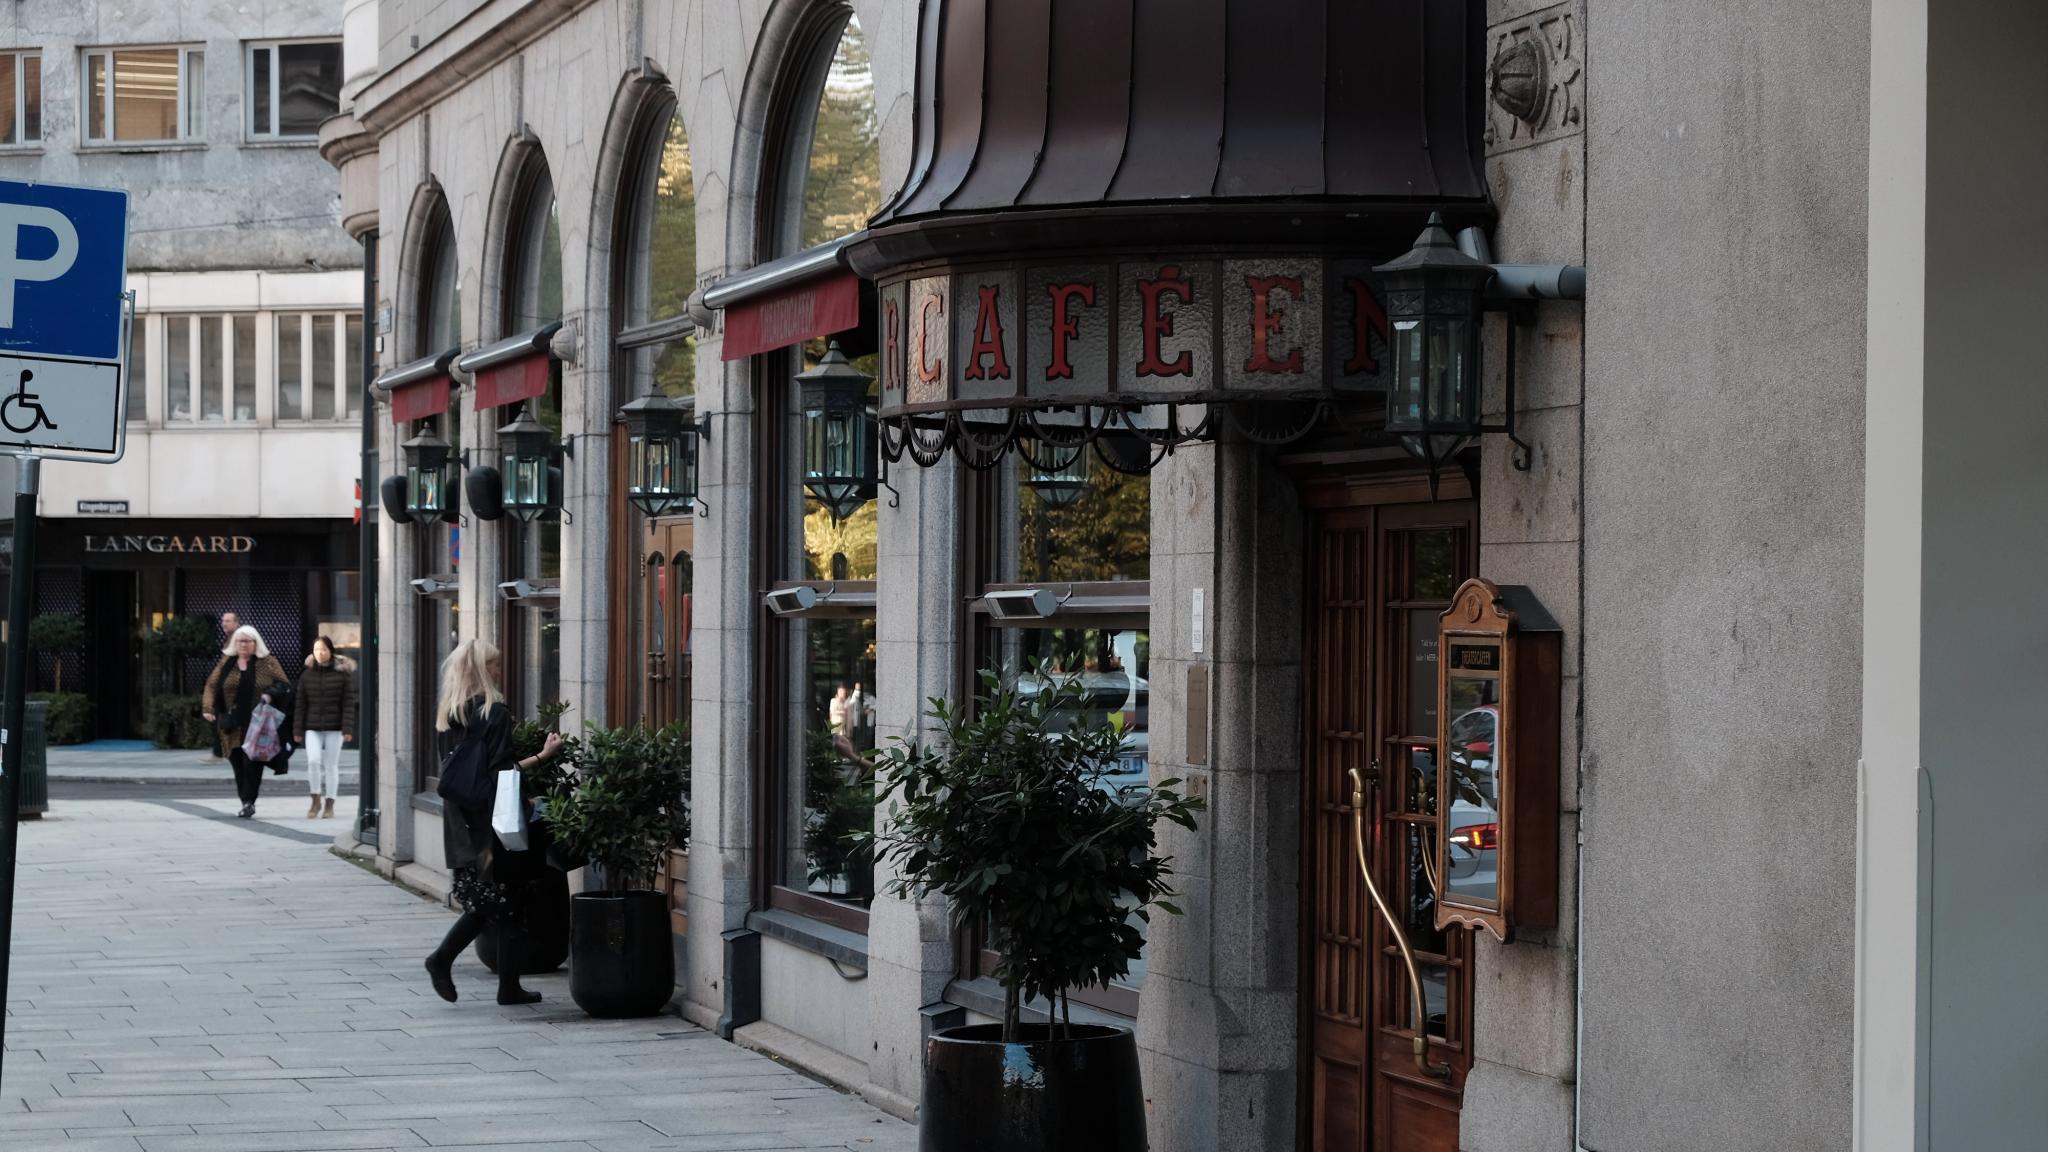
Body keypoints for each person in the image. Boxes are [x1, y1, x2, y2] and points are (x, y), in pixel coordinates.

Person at [422, 638, 564, 1006]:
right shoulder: (494, 712)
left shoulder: (449, 714)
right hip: (491, 821)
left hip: (460, 822)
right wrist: (541, 759)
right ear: (484, 669)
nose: (501, 669)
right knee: (496, 901)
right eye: (496, 664)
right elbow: (501, 772)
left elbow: (461, 775)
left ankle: (509, 987)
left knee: (504, 901)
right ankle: (442, 958)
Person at [201, 625, 288, 819]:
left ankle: (249, 801)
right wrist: (208, 708)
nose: (243, 644)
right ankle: (245, 800)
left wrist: (270, 694)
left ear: (255, 643)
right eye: (240, 641)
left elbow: (284, 685)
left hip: (258, 725)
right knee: (238, 764)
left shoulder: (267, 663)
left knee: (252, 763)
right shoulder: (226, 663)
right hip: (231, 725)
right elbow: (211, 685)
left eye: (248, 641)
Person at [294, 636, 356, 820]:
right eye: (316, 649)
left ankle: (330, 803)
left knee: (331, 765)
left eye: (323, 649)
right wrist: (297, 730)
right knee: (313, 761)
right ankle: (315, 799)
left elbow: (348, 703)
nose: (319, 653)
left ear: (330, 651)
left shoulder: (341, 674)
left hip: (335, 727)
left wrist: (348, 729)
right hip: (312, 727)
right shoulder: (306, 675)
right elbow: (300, 704)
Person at [203, 611, 241, 761]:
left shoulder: (239, 639)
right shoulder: (228, 639)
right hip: (225, 687)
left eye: (228, 621)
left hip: (234, 687)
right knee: (220, 718)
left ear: (236, 623)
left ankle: (222, 752)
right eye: (223, 621)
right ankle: (220, 751)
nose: (224, 623)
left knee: (225, 719)